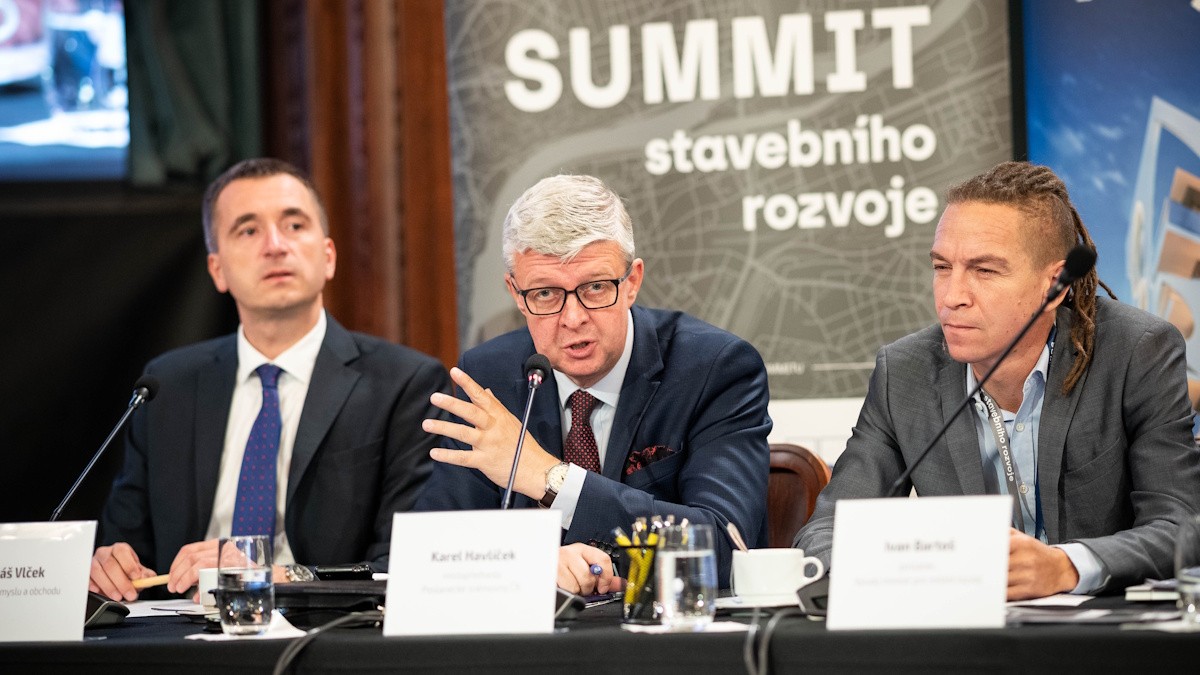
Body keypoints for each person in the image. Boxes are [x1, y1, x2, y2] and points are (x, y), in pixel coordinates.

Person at [795, 161, 1200, 599]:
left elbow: (1180, 525)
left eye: (985, 271)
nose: (952, 297)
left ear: (1055, 285)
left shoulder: (1135, 352)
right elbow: (826, 531)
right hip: (965, 628)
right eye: (942, 267)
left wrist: (1065, 566)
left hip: (1105, 632)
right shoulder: (905, 372)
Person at [90, 158, 450, 602]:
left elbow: (404, 563)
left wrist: (275, 575)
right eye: (248, 230)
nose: (275, 246)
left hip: (324, 627)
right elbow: (128, 545)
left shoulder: (404, 384)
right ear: (217, 270)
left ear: (328, 256)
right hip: (177, 624)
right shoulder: (167, 386)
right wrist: (112, 565)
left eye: (294, 225)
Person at [415, 174, 771, 594]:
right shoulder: (490, 378)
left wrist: (550, 478)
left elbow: (724, 547)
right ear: (515, 293)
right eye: (545, 294)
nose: (573, 318)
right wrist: (535, 562)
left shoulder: (713, 369)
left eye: (596, 287)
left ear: (632, 282)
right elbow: (436, 550)